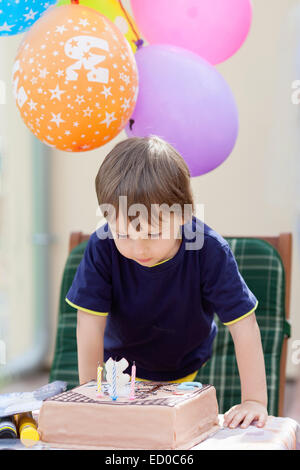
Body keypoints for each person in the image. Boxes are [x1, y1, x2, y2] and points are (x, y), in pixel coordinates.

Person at [66, 135, 268, 429]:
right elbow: (88, 323)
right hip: (118, 369)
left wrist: (254, 400)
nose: (138, 248)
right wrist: (90, 391)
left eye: (151, 234)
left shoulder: (209, 250)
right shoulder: (101, 246)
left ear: (184, 215)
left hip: (184, 366)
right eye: (123, 234)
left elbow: (243, 325)